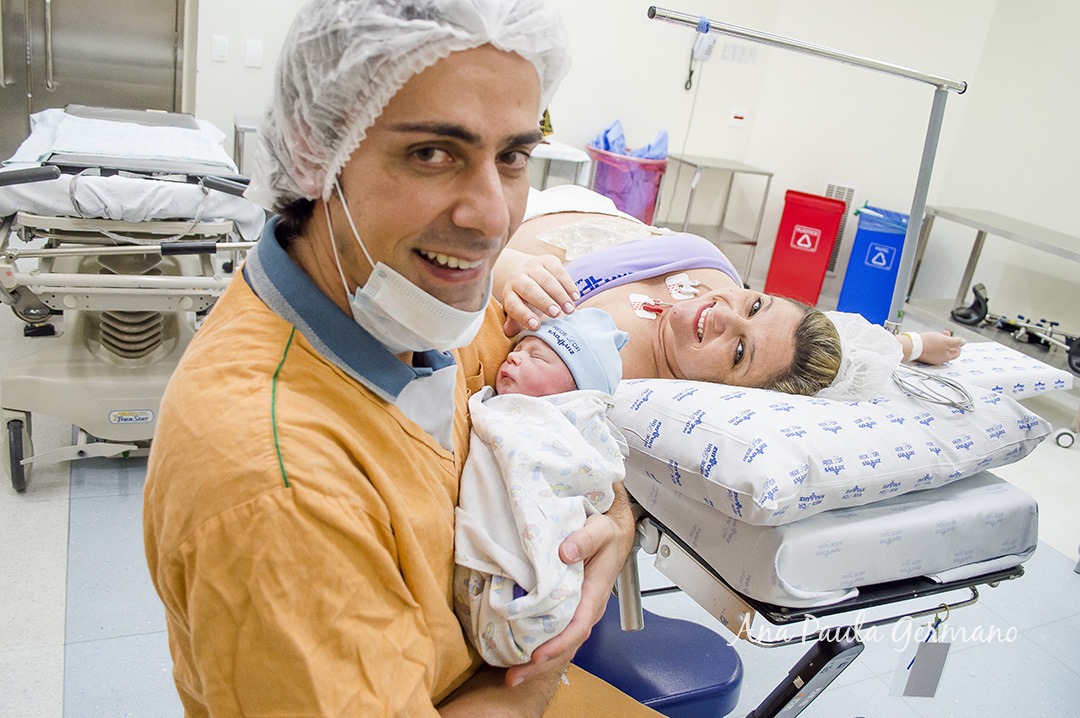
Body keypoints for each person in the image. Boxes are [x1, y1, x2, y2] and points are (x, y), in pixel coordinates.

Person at [143, 3, 655, 716]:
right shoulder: (278, 489)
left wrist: (615, 524)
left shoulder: (417, 302)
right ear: (313, 151)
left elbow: (562, 422)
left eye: (511, 156)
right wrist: (557, 644)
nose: (493, 217)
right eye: (432, 154)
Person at [494, 185, 966, 401]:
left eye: (739, 352)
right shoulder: (770, 331)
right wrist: (912, 345)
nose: (726, 315)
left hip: (503, 219)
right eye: (756, 304)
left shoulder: (604, 368)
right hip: (588, 202)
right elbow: (841, 342)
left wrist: (507, 266)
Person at [455, 308, 629, 668]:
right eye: (518, 349)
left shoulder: (575, 421)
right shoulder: (503, 405)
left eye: (537, 357)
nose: (514, 357)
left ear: (575, 390)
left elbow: (596, 479)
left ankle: (533, 588)